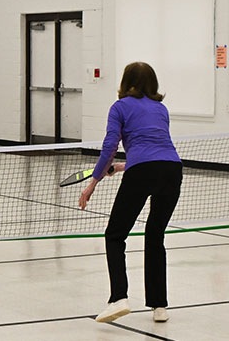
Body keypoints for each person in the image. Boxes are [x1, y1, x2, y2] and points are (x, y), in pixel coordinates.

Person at [78, 61, 182, 324]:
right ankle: (160, 307)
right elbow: (155, 148)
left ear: (126, 82)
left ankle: (118, 298)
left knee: (115, 235)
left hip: (144, 171)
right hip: (172, 170)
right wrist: (123, 166)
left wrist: (94, 181)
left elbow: (110, 145)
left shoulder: (120, 107)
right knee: (155, 235)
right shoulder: (161, 108)